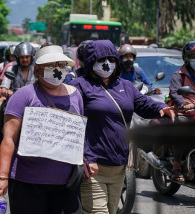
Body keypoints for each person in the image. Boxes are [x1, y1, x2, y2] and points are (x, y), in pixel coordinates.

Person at [69, 40, 175, 214]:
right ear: (90, 61)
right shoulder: (79, 86)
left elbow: (143, 103)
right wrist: (87, 156)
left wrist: (161, 108)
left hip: (119, 167)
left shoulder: (125, 86)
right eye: (101, 59)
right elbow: (72, 125)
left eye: (111, 59)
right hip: (93, 168)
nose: (106, 64)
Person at [0, 44, 84, 214]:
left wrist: (86, 159)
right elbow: (9, 138)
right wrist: (2, 176)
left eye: (61, 65)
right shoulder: (24, 95)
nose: (57, 70)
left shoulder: (76, 95)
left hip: (67, 183)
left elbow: (77, 136)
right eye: (50, 65)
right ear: (38, 70)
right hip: (28, 183)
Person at [169, 41, 195, 182]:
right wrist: (183, 104)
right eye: (193, 56)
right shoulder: (178, 75)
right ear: (186, 58)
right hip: (185, 112)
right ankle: (176, 166)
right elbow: (174, 92)